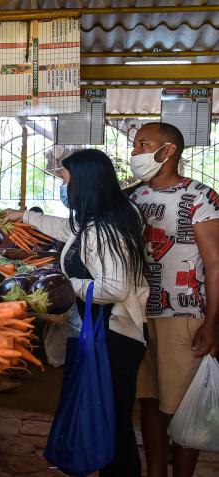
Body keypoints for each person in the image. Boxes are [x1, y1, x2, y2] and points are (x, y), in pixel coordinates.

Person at [5, 149, 149, 477]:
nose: (65, 189)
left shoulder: (106, 228)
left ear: (84, 183)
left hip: (115, 336)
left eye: (67, 182)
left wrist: (64, 284)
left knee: (114, 422)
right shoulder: (104, 216)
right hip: (106, 331)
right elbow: (69, 229)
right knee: (107, 416)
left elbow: (114, 288)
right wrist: (24, 215)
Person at [128, 122, 219, 477]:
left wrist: (212, 324)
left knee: (183, 407)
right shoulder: (134, 197)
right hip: (138, 315)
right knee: (149, 400)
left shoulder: (201, 197)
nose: (135, 152)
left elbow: (214, 264)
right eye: (135, 145)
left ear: (167, 151)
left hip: (183, 314)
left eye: (142, 144)